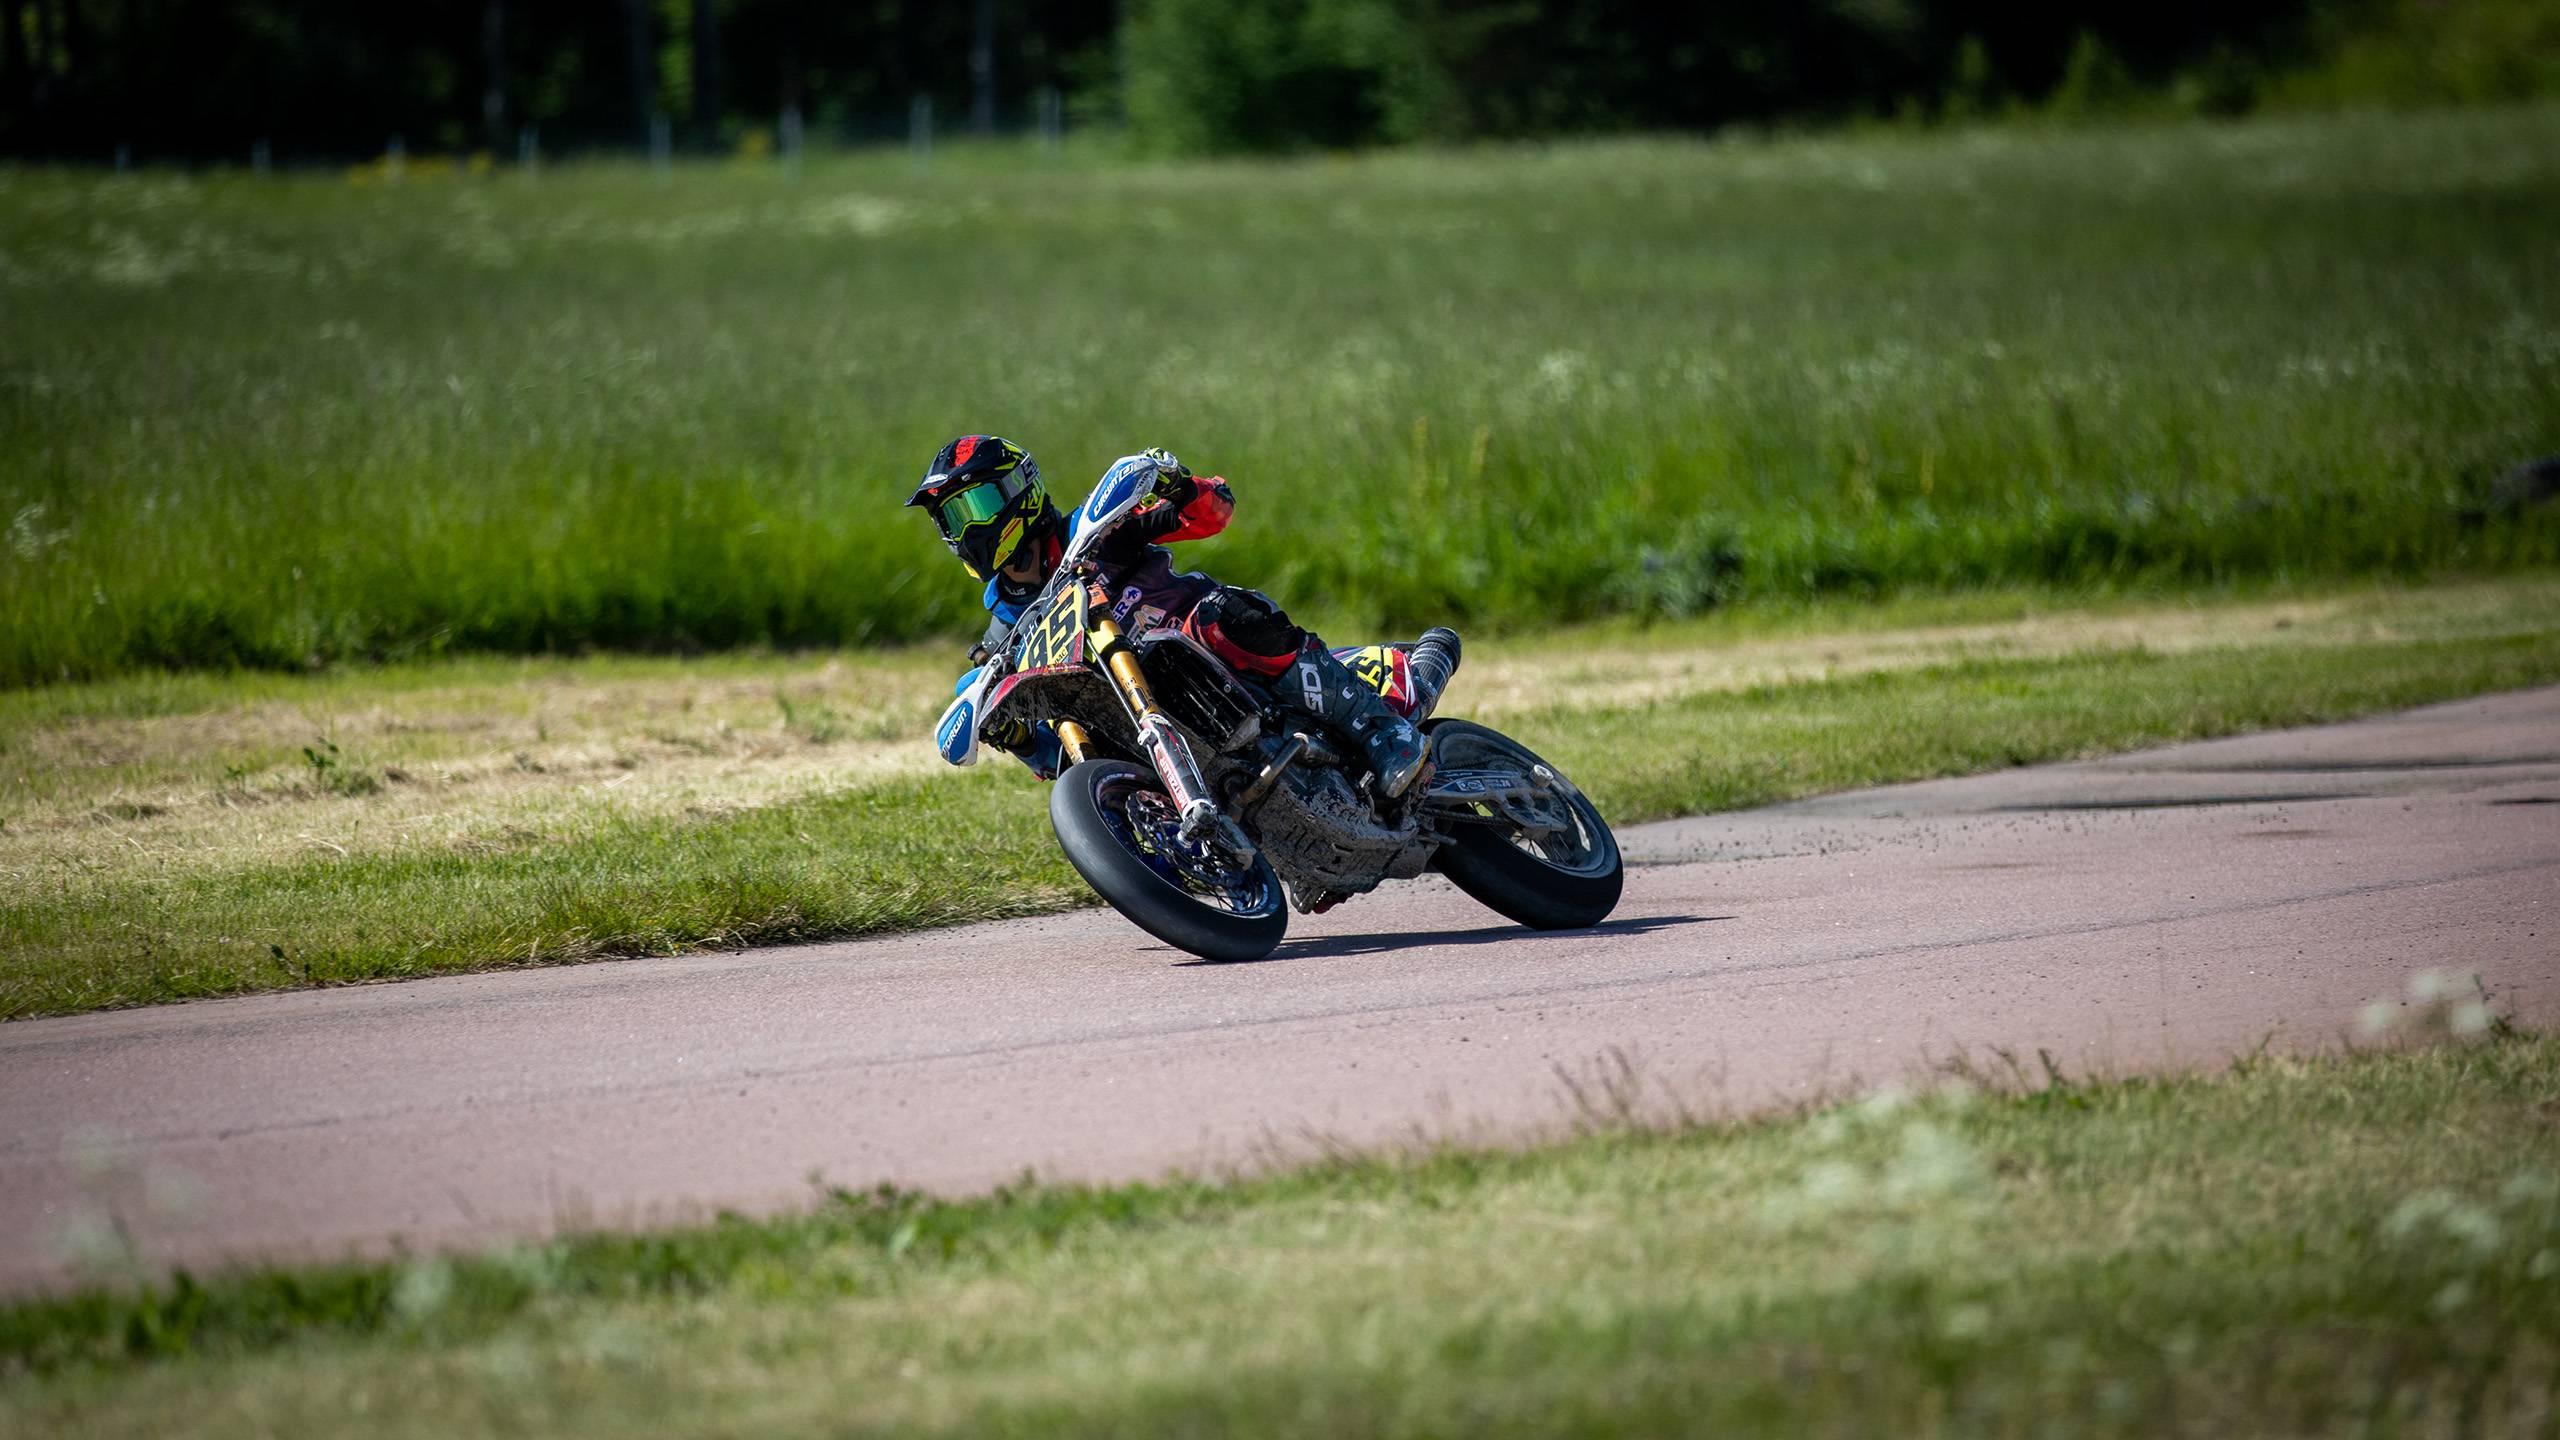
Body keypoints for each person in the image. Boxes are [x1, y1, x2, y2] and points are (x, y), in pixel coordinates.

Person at [906, 434, 1429, 796]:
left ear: (1017, 490)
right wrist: (1017, 738)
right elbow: (1058, 759)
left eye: (970, 508)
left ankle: (1384, 732)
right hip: (1142, 717)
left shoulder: (1096, 528)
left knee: (1222, 616)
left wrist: (1178, 484)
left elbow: (1213, 514)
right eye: (949, 520)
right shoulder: (1003, 637)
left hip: (1213, 658)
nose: (962, 531)